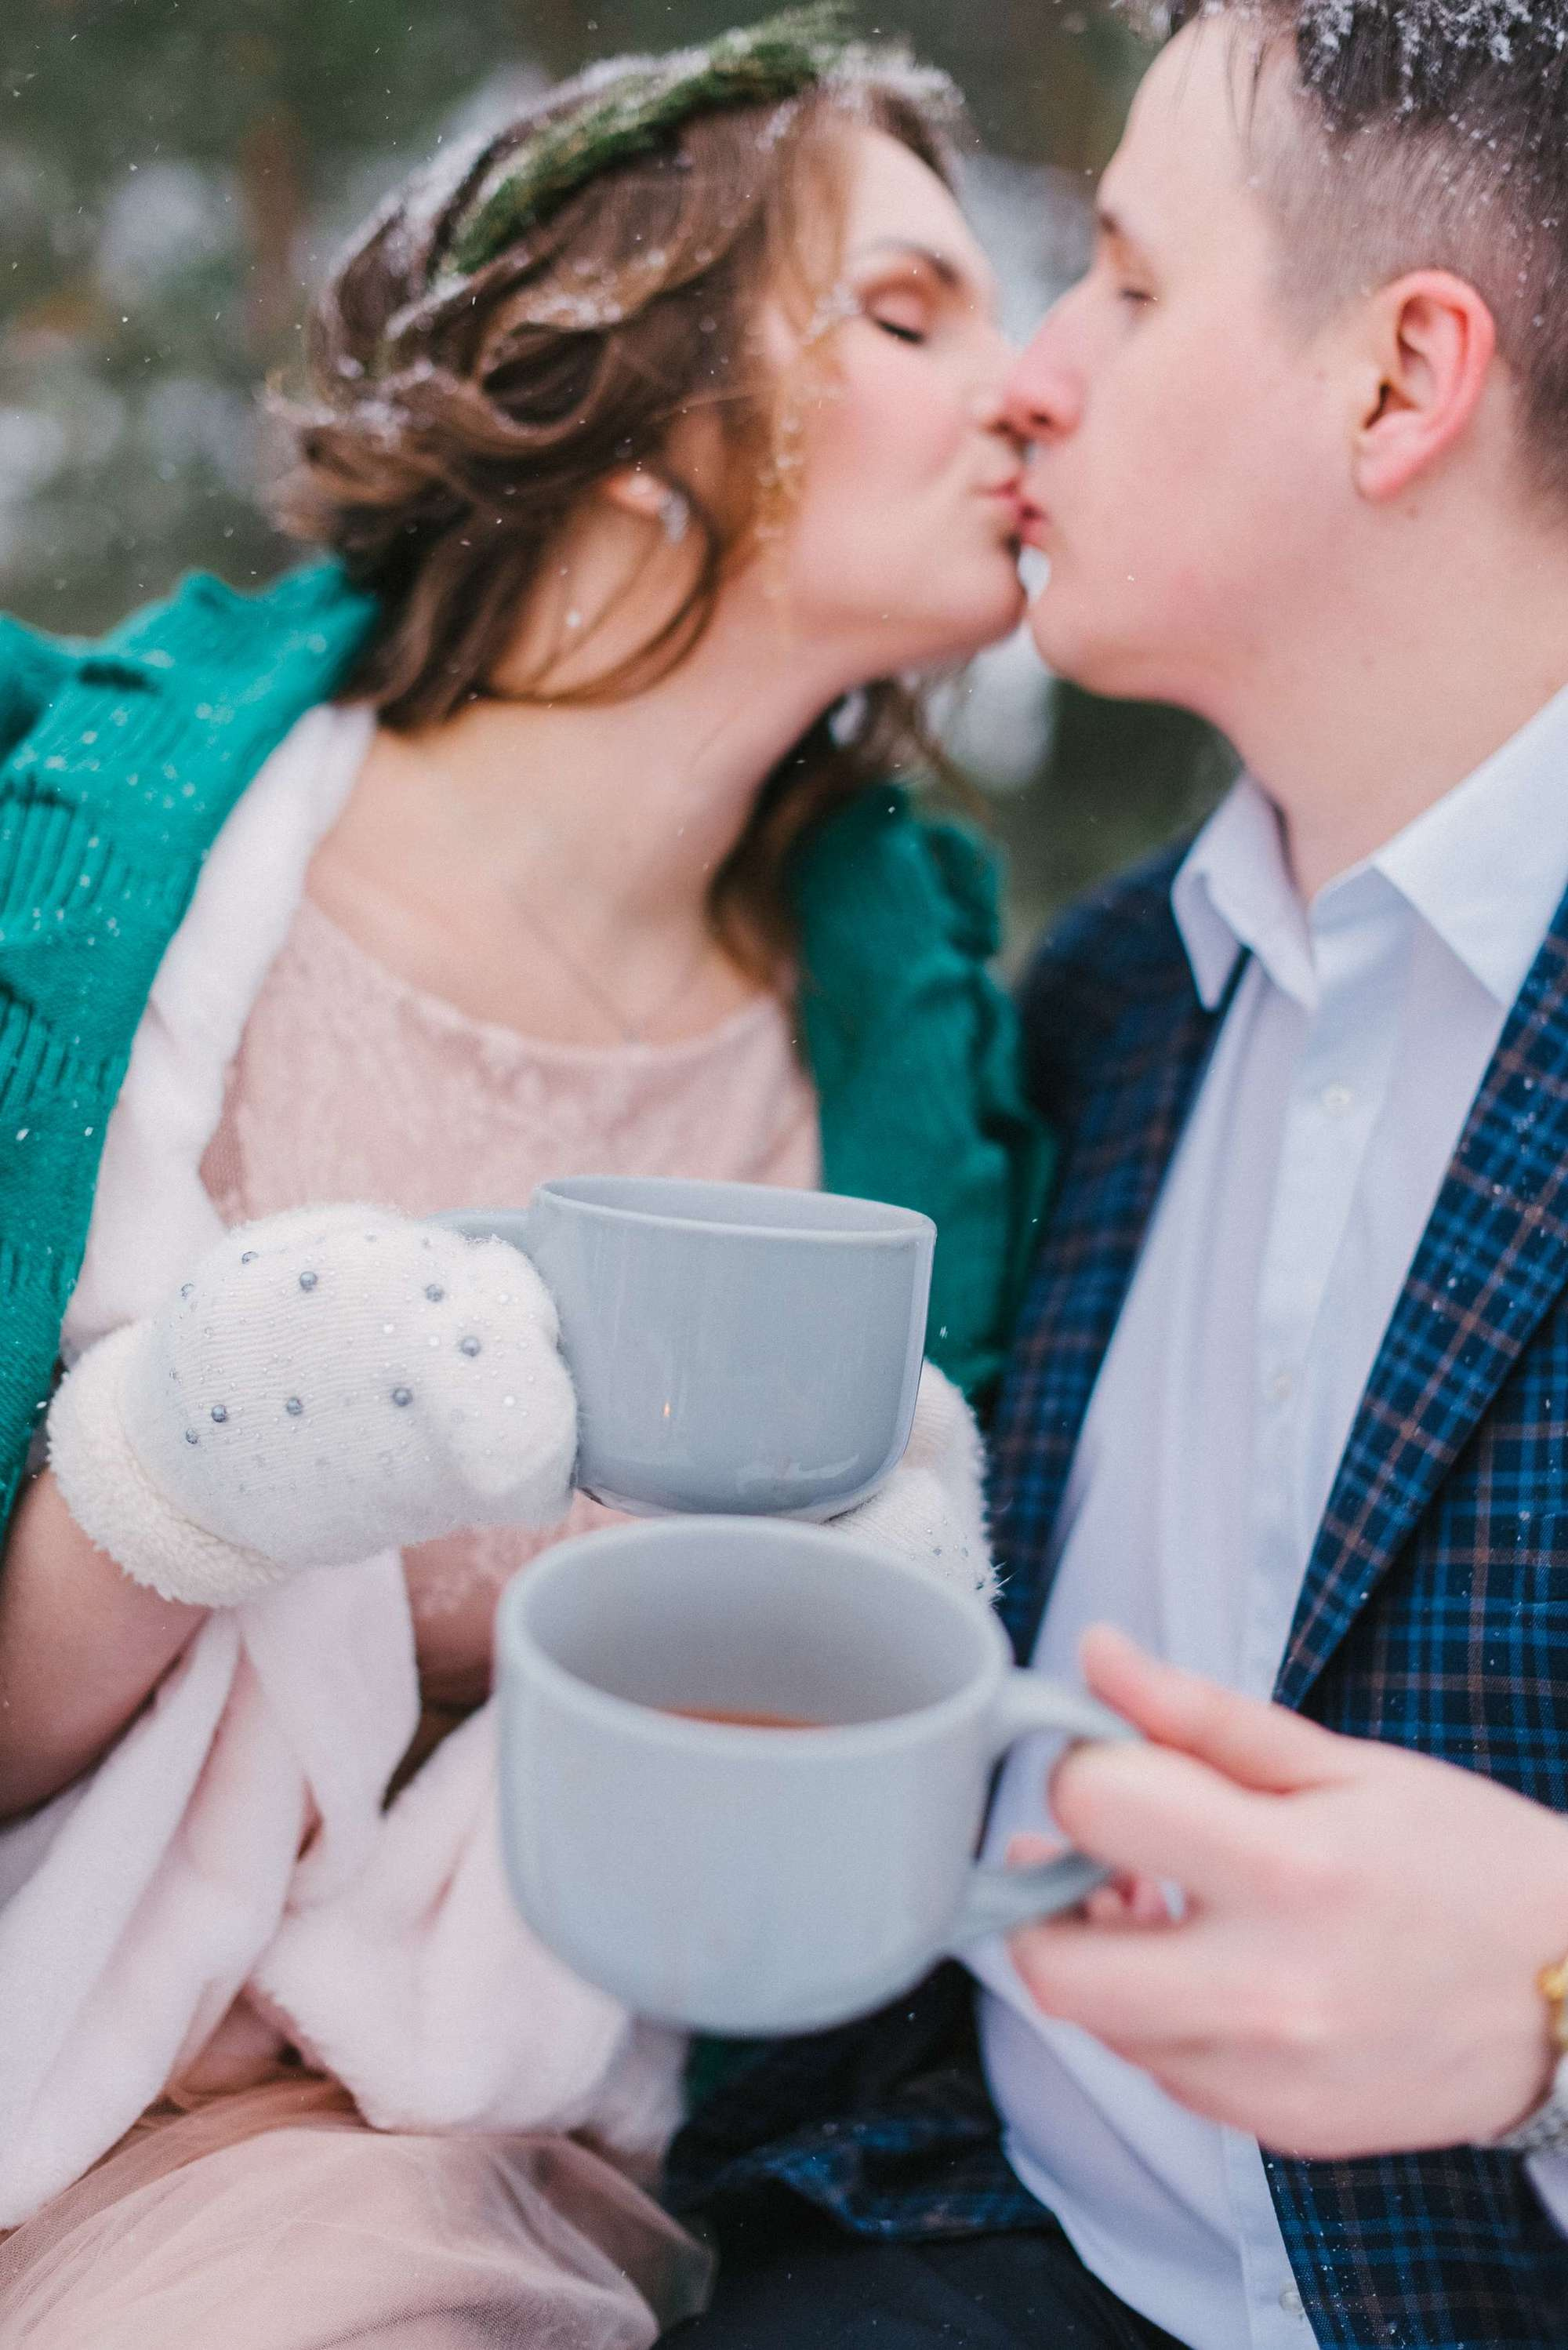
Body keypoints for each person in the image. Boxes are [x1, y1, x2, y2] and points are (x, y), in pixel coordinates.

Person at [0, 13, 1053, 2344]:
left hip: (425, 2148)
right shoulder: (101, 900)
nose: (1037, 389)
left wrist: (886, 1648)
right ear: (627, 389)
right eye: (907, 313)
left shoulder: (898, 1066)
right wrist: (181, 1470)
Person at [664, 3, 1568, 2346]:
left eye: (1132, 287)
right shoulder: (1097, 1010)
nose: (1035, 382)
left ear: (1400, 385)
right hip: (960, 2256)